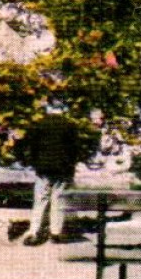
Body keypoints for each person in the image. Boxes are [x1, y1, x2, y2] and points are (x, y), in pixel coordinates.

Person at [14, 104, 100, 245]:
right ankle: (55, 232)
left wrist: (32, 162)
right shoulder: (70, 125)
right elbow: (76, 149)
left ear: (48, 109)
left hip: (43, 169)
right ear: (63, 110)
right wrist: (71, 164)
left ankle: (34, 231)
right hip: (63, 169)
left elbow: (28, 145)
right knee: (58, 200)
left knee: (40, 200)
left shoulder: (39, 124)